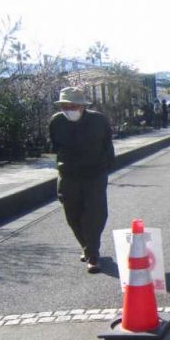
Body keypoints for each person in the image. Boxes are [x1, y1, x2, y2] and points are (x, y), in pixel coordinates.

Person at [48, 86, 115, 274]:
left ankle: (93, 255)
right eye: (65, 106)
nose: (69, 109)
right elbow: (55, 146)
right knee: (72, 214)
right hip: (68, 174)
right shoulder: (56, 121)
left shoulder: (98, 120)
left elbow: (108, 145)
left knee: (95, 213)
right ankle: (87, 246)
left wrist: (106, 166)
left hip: (95, 173)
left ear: (82, 106)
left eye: (73, 106)